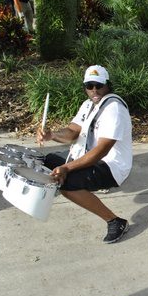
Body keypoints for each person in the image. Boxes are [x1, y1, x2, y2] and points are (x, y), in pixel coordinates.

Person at [36, 65, 133, 244]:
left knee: (68, 184)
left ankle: (115, 221)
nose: (94, 90)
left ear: (108, 85)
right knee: (47, 160)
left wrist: (66, 168)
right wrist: (52, 135)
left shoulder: (114, 108)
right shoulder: (88, 105)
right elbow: (73, 132)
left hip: (112, 166)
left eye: (99, 85)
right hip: (89, 156)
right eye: (89, 86)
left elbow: (102, 150)